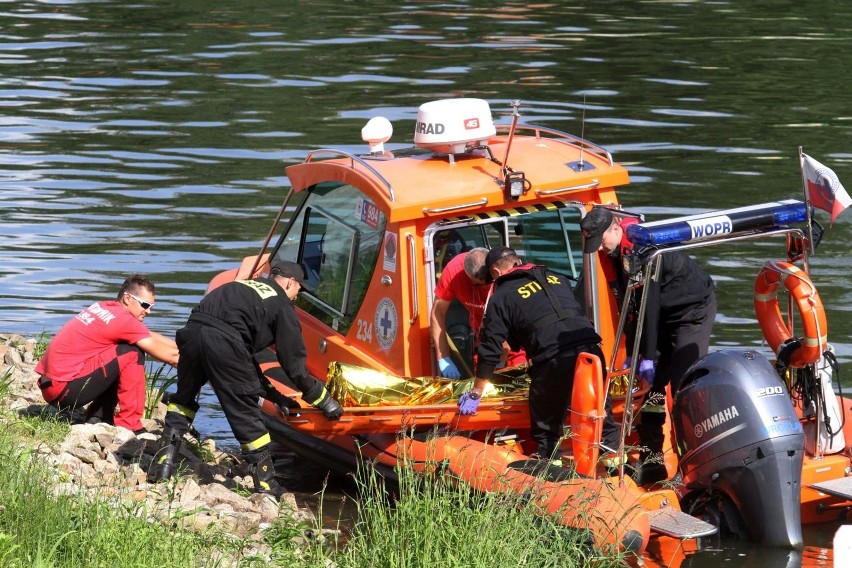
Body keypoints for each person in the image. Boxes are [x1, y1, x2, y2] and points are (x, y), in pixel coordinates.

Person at [148, 260, 343, 497]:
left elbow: (245, 359)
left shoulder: (239, 287)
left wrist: (275, 395)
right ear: (291, 283)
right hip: (223, 343)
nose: (296, 298)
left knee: (183, 400)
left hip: (191, 335)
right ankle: (268, 486)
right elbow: (294, 365)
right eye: (298, 291)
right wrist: (322, 399)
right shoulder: (281, 305)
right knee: (245, 411)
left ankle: (163, 466)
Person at [581, 207, 716, 484]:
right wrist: (634, 354)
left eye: (601, 241)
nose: (601, 249)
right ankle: (652, 460)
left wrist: (648, 357)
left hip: (690, 311)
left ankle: (693, 466)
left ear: (615, 229)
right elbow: (630, 307)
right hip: (661, 313)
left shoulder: (645, 250)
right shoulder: (611, 253)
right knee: (649, 389)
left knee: (682, 387)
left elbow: (649, 307)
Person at [457, 246, 620, 463]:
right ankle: (615, 461)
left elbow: (490, 347)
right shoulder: (555, 277)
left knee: (546, 424)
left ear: (495, 273)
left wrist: (477, 392)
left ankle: (550, 464)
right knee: (601, 410)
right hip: (591, 350)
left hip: (555, 358)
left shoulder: (502, 295)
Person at [35, 274, 179, 434]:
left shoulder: (105, 307)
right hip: (63, 391)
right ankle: (130, 425)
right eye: (145, 305)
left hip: (51, 386)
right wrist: (201, 363)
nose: (149, 311)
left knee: (121, 350)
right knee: (132, 352)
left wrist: (185, 347)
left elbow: (148, 335)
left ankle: (98, 416)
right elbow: (172, 358)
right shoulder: (124, 320)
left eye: (152, 306)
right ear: (127, 298)